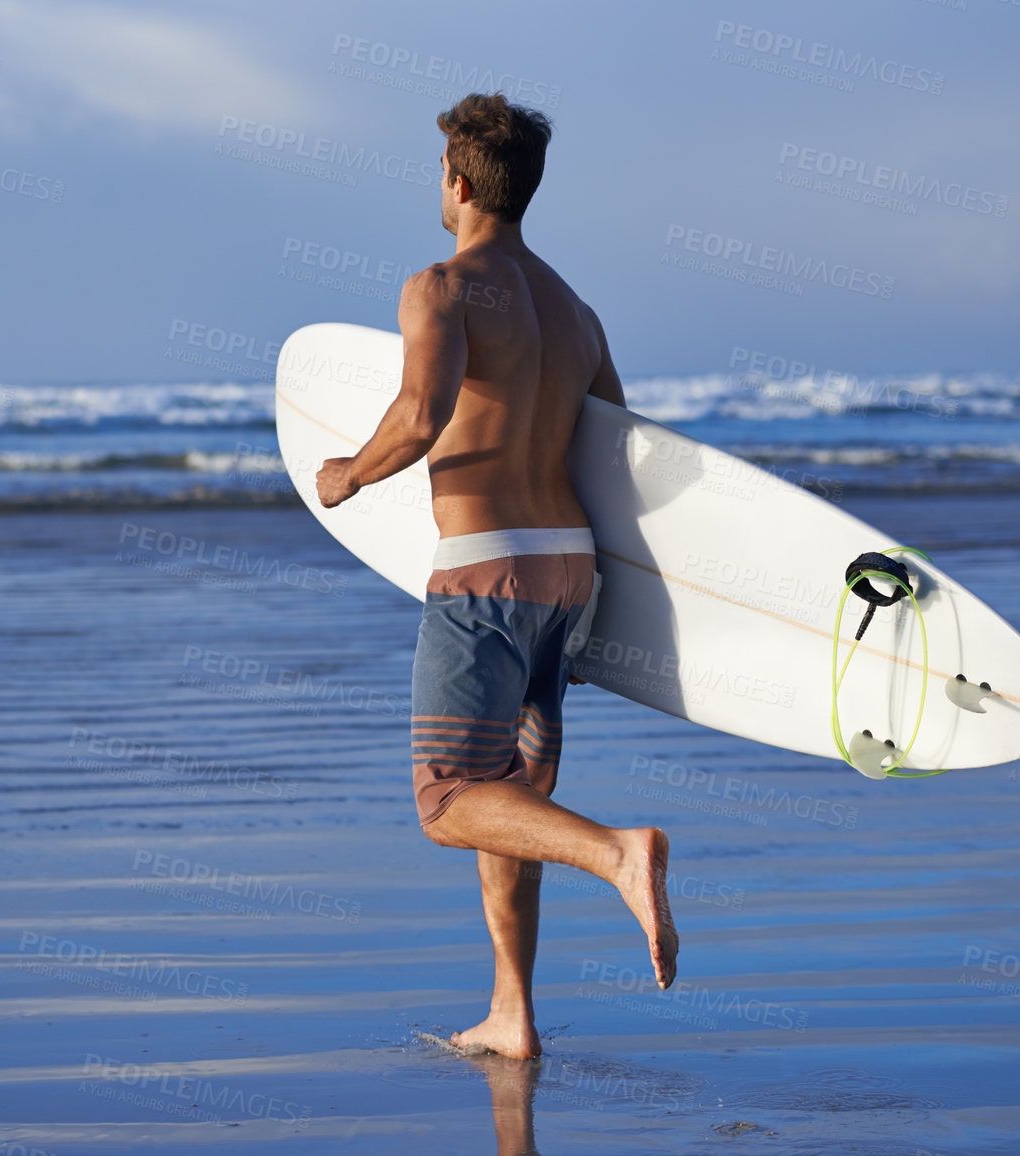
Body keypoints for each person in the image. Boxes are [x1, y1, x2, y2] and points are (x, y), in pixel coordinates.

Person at [315, 93, 677, 1061]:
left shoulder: (438, 285)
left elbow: (420, 412)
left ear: (459, 183)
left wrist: (345, 474)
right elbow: (616, 456)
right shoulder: (577, 312)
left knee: (444, 799)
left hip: (485, 578)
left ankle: (618, 852)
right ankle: (510, 1014)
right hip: (570, 579)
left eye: (439, 171)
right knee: (509, 802)